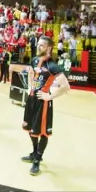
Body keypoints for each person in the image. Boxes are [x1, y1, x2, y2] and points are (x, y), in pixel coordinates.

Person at [22, 36, 70, 176]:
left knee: (42, 132)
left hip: (43, 103)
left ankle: (37, 159)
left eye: (42, 45)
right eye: (38, 44)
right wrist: (30, 86)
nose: (38, 47)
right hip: (32, 99)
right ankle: (34, 153)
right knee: (31, 128)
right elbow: (31, 72)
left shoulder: (53, 66)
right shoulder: (35, 60)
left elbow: (65, 86)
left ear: (49, 48)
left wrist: (50, 96)